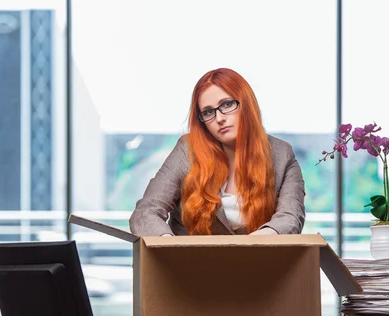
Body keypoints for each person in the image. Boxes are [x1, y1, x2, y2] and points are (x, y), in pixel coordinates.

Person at [129, 68, 305, 236]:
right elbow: (146, 212)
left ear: (247, 104)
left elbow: (290, 218)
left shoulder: (282, 154)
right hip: (188, 263)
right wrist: (170, 246)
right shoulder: (187, 150)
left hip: (255, 263)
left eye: (227, 104)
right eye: (208, 112)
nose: (219, 118)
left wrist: (251, 245)